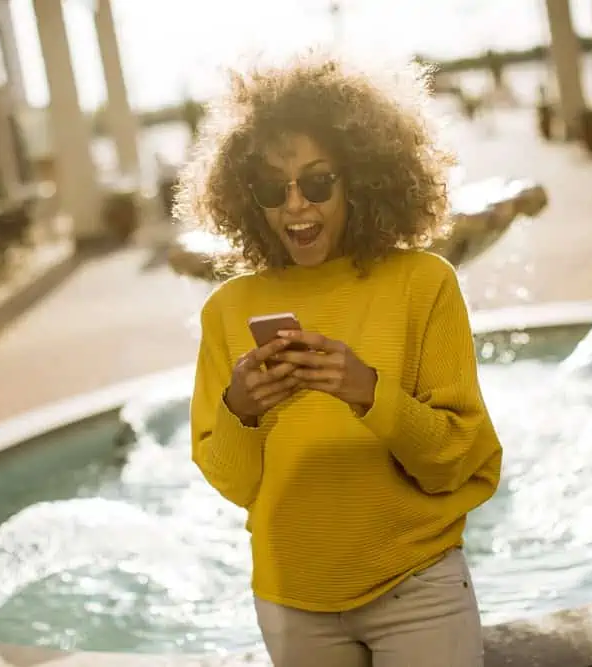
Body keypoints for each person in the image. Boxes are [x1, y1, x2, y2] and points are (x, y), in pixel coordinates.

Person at [174, 50, 503, 667]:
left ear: (360, 177)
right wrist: (241, 410)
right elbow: (236, 484)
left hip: (419, 589)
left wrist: (367, 392)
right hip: (292, 605)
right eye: (273, 188)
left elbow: (455, 459)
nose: (295, 205)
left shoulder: (424, 283)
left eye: (317, 182)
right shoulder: (226, 310)